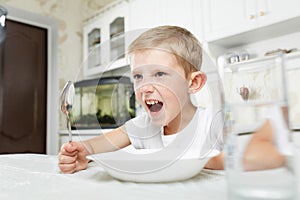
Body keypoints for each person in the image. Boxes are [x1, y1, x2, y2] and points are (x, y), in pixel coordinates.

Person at [58, 25, 284, 174]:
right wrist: (80, 154)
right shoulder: (141, 127)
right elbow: (92, 146)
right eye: (138, 76)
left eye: (159, 74)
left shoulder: (213, 122)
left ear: (193, 83)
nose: (145, 87)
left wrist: (205, 162)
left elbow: (266, 155)